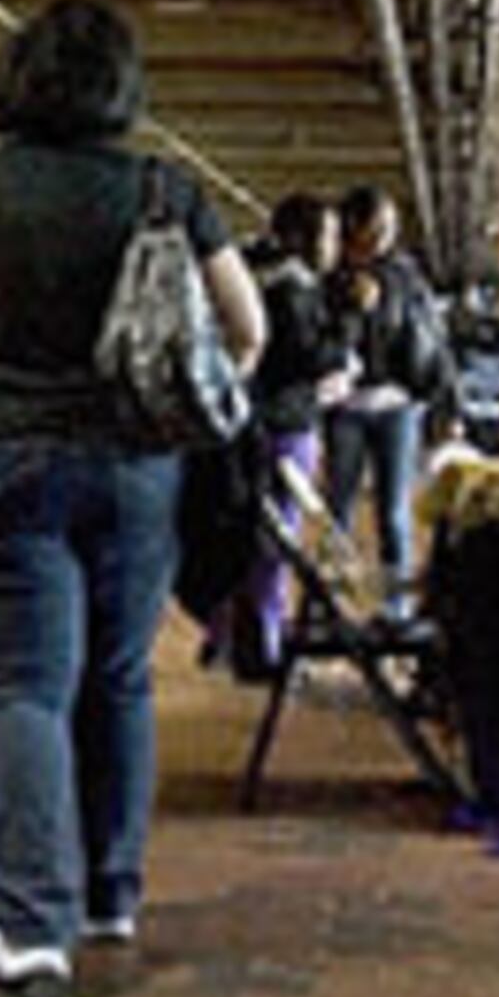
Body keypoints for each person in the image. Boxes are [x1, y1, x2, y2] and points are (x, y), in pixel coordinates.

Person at [0, 0, 262, 997]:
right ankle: (107, 894)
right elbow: (246, 326)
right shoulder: (164, 190)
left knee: (20, 687)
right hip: (138, 467)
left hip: (3, 461)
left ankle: (27, 922)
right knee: (119, 679)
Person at [215, 192, 345, 679]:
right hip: (285, 424)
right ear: (298, 236)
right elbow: (310, 358)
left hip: (246, 422)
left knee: (247, 536)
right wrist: (348, 321)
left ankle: (230, 638)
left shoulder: (249, 273)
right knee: (276, 542)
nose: (332, 247)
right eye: (326, 235)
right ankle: (263, 649)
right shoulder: (293, 288)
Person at [323, 184, 449, 610]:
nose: (383, 236)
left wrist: (447, 402)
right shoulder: (330, 275)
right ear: (354, 228)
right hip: (346, 407)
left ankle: (396, 614)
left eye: (389, 226)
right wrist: (353, 309)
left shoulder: (406, 274)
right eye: (376, 226)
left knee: (394, 514)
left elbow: (432, 341)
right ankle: (328, 606)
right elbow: (330, 344)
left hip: (398, 405)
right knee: (336, 511)